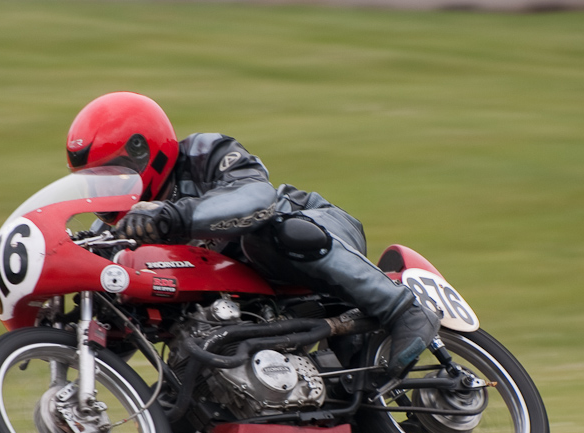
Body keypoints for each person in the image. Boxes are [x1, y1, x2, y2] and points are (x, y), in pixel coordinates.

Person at [65, 91, 440, 378]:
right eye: (94, 181)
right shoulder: (120, 229)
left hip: (314, 229)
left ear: (144, 150)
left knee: (265, 235)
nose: (106, 188)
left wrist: (174, 216)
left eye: (113, 173)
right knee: (173, 399)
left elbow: (256, 198)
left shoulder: (203, 152)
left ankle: (403, 309)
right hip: (250, 297)